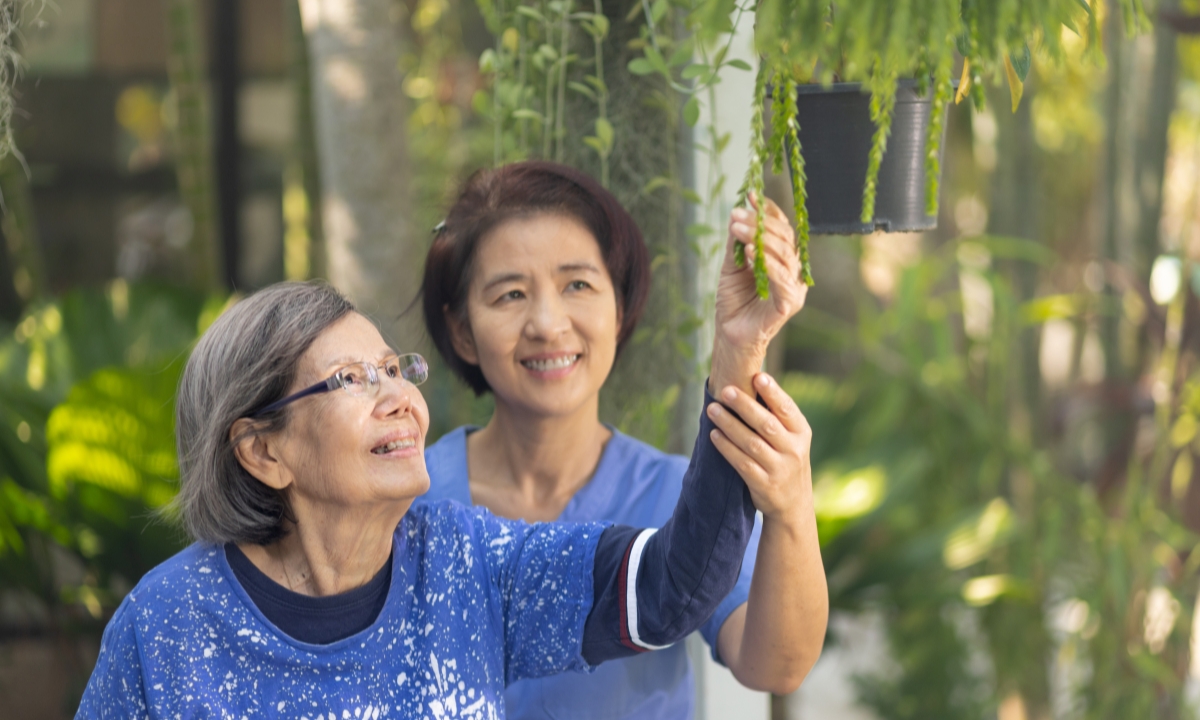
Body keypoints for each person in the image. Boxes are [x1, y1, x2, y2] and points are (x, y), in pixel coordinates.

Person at [74, 232, 813, 718]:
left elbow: (672, 587)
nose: (400, 398)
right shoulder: (168, 623)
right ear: (263, 451)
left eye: (397, 370)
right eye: (349, 380)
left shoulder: (468, 562)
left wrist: (737, 358)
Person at [419, 161, 828, 719]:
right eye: (510, 295)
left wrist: (790, 508)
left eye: (578, 285)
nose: (547, 322)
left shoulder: (675, 495)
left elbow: (773, 667)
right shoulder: (408, 501)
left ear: (619, 306)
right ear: (463, 330)